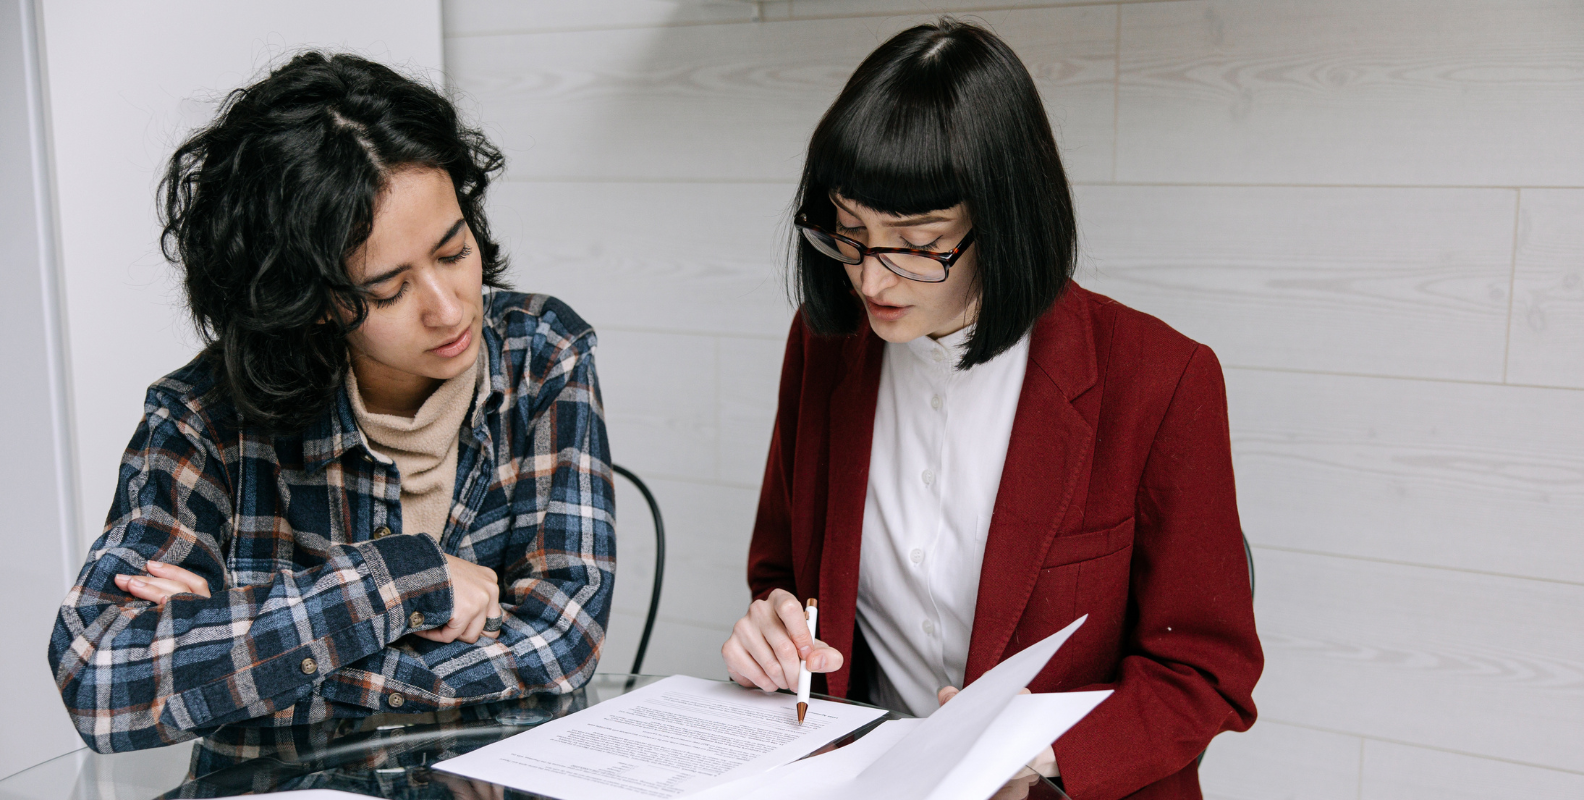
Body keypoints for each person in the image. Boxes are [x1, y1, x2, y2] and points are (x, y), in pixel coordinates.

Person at [721, 19, 1261, 800]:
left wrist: (1039, 751)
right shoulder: (825, 347)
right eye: (850, 233)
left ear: (1003, 222)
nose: (871, 280)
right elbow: (784, 576)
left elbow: (1208, 670)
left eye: (916, 242)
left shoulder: (1159, 380)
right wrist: (772, 628)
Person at [47, 52, 615, 754]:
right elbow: (101, 680)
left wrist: (254, 665)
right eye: (388, 290)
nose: (447, 309)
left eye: (452, 250)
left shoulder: (544, 356)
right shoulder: (204, 417)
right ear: (309, 300)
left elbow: (562, 645)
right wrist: (403, 579)